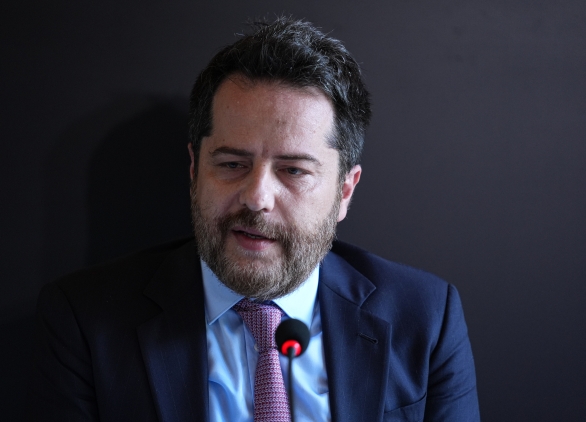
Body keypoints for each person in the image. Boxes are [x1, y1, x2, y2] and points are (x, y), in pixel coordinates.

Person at [28, 17, 479, 422]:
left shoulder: (426, 318)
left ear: (345, 191)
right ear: (194, 170)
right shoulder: (85, 321)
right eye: (231, 164)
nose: (257, 197)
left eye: (294, 171)